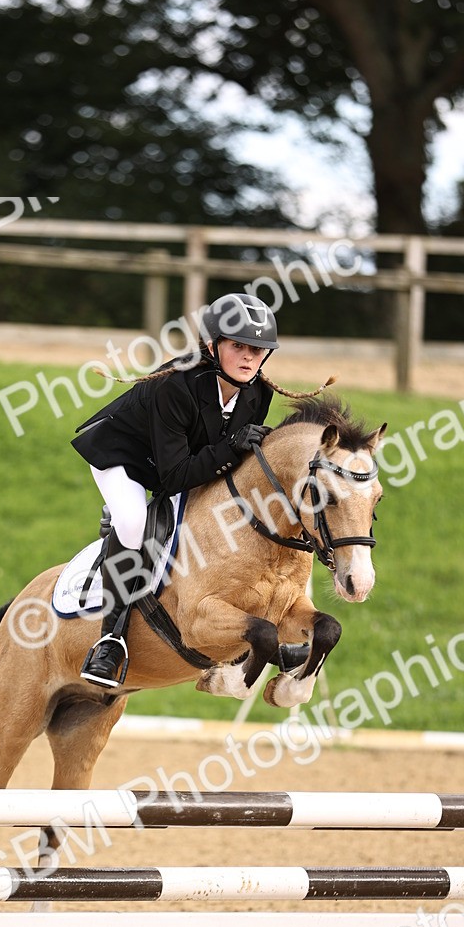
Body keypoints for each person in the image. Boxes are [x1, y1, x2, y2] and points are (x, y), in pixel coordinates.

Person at [72, 292, 279, 688]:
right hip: (126, 458)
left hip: (184, 460)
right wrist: (232, 446)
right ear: (211, 345)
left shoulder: (259, 394)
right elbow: (174, 478)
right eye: (238, 346)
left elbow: (218, 465)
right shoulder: (177, 386)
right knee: (133, 523)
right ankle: (110, 640)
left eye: (257, 349)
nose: (249, 357)